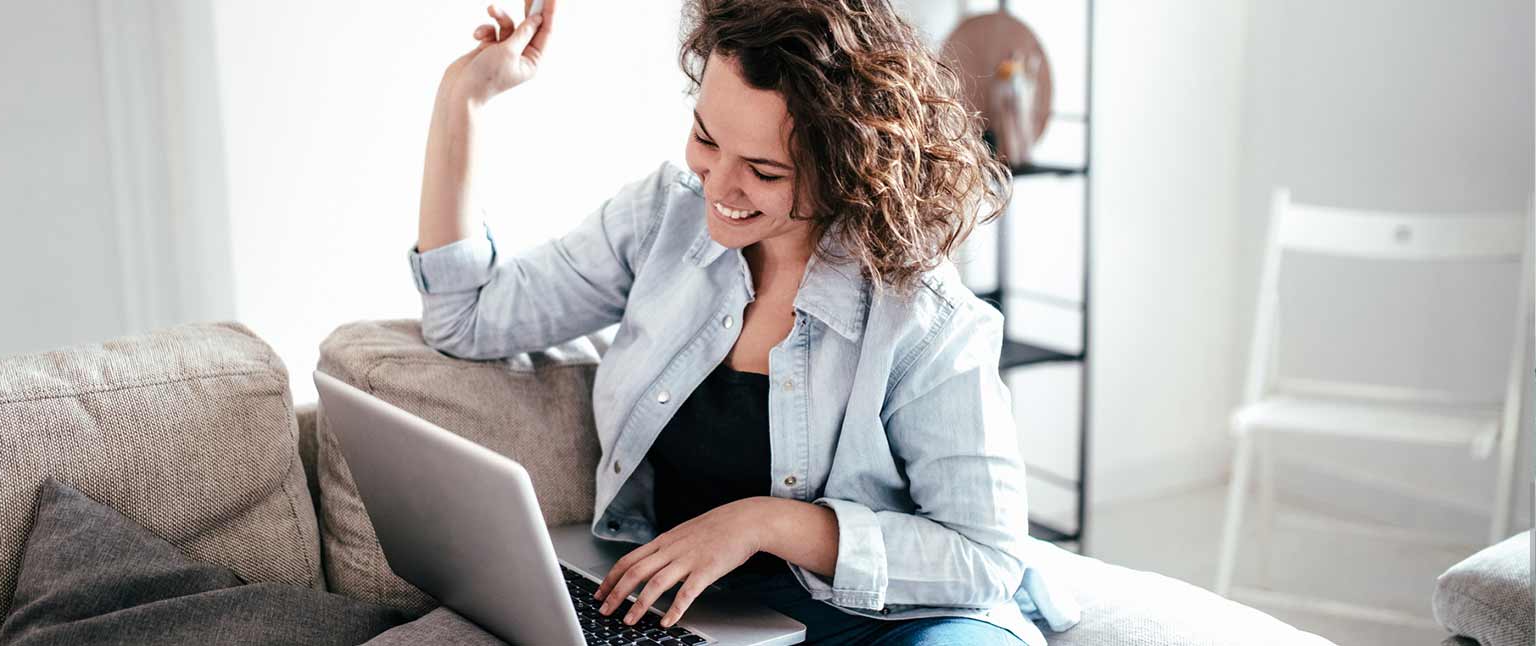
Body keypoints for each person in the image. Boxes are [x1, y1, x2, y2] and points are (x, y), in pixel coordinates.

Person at [410, 1, 1076, 644]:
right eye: (706, 138)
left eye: (763, 171)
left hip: (893, 620)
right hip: (703, 615)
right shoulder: (661, 221)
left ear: (848, 168)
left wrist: (764, 523)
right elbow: (467, 316)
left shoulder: (924, 316)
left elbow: (985, 557)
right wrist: (461, 100)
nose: (718, 186)